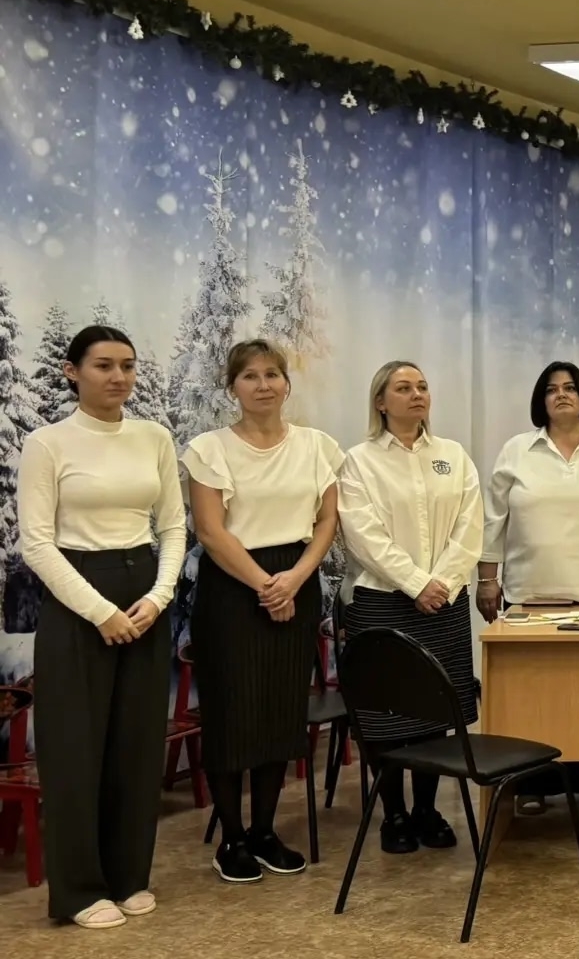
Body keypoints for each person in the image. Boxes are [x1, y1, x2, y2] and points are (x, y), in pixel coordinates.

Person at [19, 325, 186, 929]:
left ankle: (128, 876)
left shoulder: (154, 437)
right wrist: (101, 612)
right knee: (75, 750)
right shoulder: (47, 443)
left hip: (144, 594)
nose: (119, 377)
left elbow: (172, 526)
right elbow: (37, 543)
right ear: (73, 372)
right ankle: (79, 891)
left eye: (128, 366)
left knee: (136, 747)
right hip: (77, 598)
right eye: (104, 365)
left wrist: (159, 596)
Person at [184, 340, 344, 884]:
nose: (263, 385)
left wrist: (294, 580)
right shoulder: (210, 449)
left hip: (296, 578)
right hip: (233, 588)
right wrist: (266, 586)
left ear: (286, 384)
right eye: (250, 376)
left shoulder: (317, 446)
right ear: (232, 386)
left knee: (280, 711)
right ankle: (231, 838)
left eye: (272, 374)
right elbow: (211, 531)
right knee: (232, 714)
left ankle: (265, 831)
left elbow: (326, 522)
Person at [479, 362, 579, 816]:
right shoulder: (517, 450)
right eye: (551, 390)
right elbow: (493, 520)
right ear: (541, 401)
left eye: (570, 387)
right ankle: (530, 784)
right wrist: (487, 579)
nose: (562, 395)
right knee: (534, 698)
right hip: (531, 597)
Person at [336, 360, 485, 856]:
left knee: (433, 710)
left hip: (444, 600)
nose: (417, 394)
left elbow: (470, 526)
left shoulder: (453, 456)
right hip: (383, 601)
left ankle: (426, 808)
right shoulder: (359, 461)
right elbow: (362, 534)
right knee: (385, 714)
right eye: (403, 388)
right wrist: (417, 583)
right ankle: (394, 813)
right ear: (381, 402)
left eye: (422, 386)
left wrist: (441, 582)